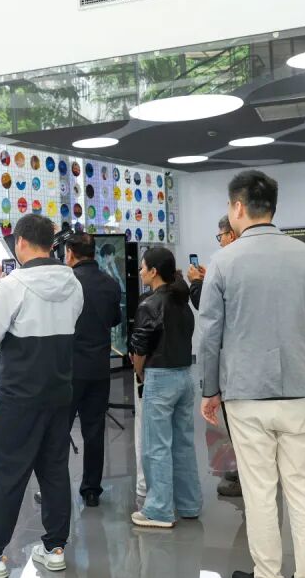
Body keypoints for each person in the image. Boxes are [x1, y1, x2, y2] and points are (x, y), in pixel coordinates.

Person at [198, 170, 305, 578]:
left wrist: (209, 389)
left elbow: (210, 336)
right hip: (298, 388)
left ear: (238, 207)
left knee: (259, 489)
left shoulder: (224, 262)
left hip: (245, 392)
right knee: (304, 488)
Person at [0, 214, 83, 578]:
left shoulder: (13, 285)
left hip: (19, 396)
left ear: (21, 242)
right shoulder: (72, 282)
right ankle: (55, 548)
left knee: (8, 474)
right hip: (59, 391)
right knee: (54, 471)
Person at [128, 247, 198, 528]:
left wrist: (139, 372)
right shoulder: (183, 302)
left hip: (159, 378)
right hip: (184, 376)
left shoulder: (150, 304)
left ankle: (158, 510)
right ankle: (189, 504)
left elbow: (140, 348)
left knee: (156, 446)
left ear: (154, 271)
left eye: (143, 267)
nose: (140, 272)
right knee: (183, 443)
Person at [64, 232, 122, 506]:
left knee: (59, 431)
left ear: (70, 253)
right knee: (94, 430)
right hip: (99, 367)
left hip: (69, 369)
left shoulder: (66, 283)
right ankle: (91, 490)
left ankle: (57, 488)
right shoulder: (110, 284)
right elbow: (114, 319)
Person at [189, 214, 242, 499]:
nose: (219, 241)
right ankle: (246, 469)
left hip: (235, 364)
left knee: (239, 424)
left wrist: (198, 284)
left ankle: (245, 478)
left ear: (231, 234)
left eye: (220, 236)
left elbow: (209, 309)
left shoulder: (227, 262)